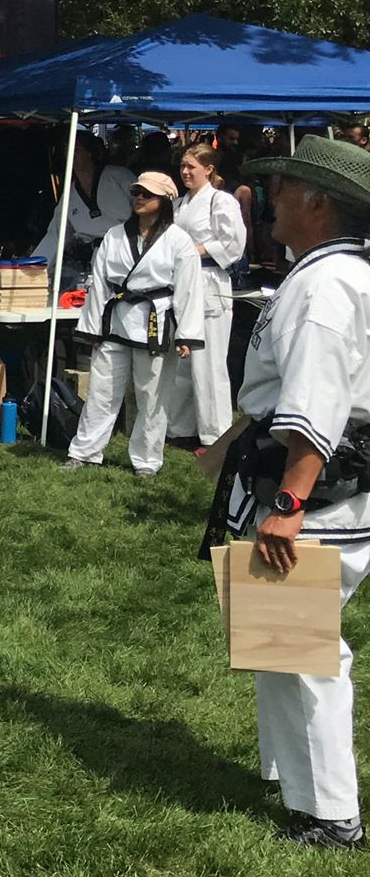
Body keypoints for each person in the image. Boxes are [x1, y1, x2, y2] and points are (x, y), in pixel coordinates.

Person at [205, 136, 370, 850]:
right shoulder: (335, 272)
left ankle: (332, 817)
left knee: (304, 651)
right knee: (279, 640)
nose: (271, 198)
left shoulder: (327, 285)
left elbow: (319, 396)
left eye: (283, 187)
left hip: (320, 491)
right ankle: (291, 776)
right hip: (321, 481)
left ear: (319, 202)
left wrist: (291, 502)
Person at [63, 171, 204, 478]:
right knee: (102, 390)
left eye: (147, 194)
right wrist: (91, 328)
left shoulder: (179, 241)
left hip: (153, 323)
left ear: (164, 201)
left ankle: (147, 461)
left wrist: (187, 334)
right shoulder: (115, 235)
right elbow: (99, 283)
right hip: (115, 322)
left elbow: (189, 289)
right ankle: (84, 452)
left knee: (151, 396)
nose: (139, 198)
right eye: (137, 192)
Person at [168, 143, 248, 446]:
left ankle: (216, 434)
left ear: (209, 169)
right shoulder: (179, 204)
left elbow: (232, 245)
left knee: (209, 362)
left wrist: (190, 252)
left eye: (192, 166)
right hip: (182, 282)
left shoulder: (221, 201)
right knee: (182, 359)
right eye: (183, 166)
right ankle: (180, 428)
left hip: (210, 282)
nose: (185, 172)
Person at [32, 132, 133, 286]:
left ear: (91, 153)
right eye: (67, 150)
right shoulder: (71, 192)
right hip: (94, 256)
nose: (70, 154)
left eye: (76, 149)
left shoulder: (118, 176)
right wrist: (33, 268)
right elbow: (56, 234)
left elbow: (145, 207)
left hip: (126, 249)